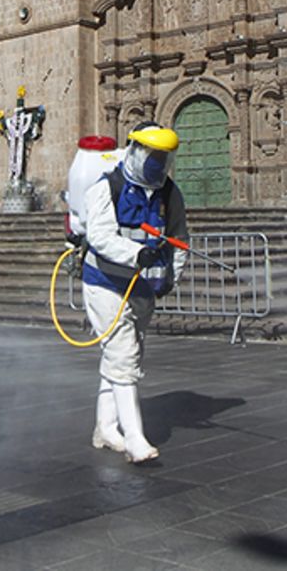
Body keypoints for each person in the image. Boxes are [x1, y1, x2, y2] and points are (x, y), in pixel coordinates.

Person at [81, 122, 187, 463]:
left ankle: (106, 427)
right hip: (105, 283)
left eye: (163, 157)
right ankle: (135, 438)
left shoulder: (170, 194)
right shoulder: (106, 188)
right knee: (123, 355)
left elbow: (180, 240)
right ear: (135, 150)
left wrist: (172, 276)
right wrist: (134, 254)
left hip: (143, 287)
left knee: (124, 356)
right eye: (152, 155)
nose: (157, 163)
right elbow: (99, 236)